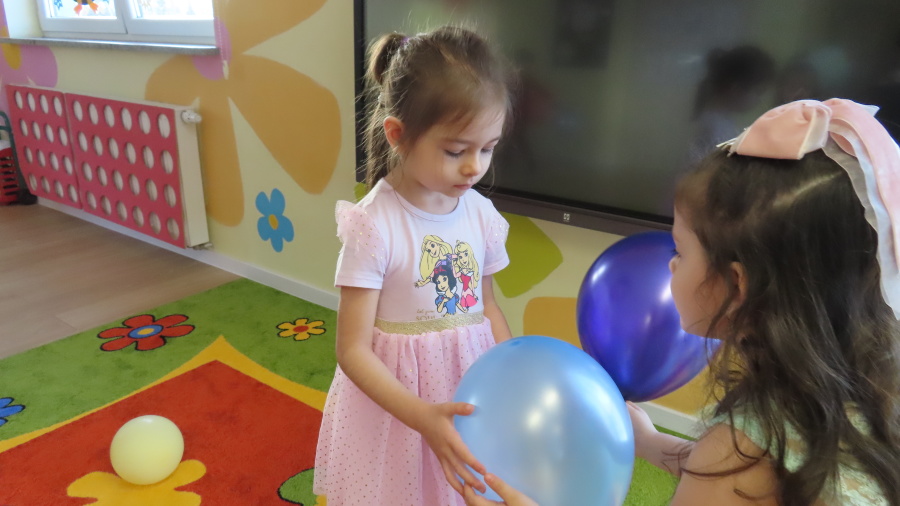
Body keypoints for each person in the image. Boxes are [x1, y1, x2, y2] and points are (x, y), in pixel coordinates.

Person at [463, 99, 900, 505]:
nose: (671, 265)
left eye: (680, 251)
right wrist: (653, 443)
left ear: (736, 284)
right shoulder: (871, 398)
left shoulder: (740, 453)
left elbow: (731, 475)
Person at [313, 25, 516, 506]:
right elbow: (352, 350)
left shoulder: (482, 216)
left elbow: (486, 307)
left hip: (467, 386)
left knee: (462, 490)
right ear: (398, 136)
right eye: (456, 151)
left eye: (488, 148)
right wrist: (421, 416)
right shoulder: (373, 225)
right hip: (399, 408)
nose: (475, 167)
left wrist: (511, 373)